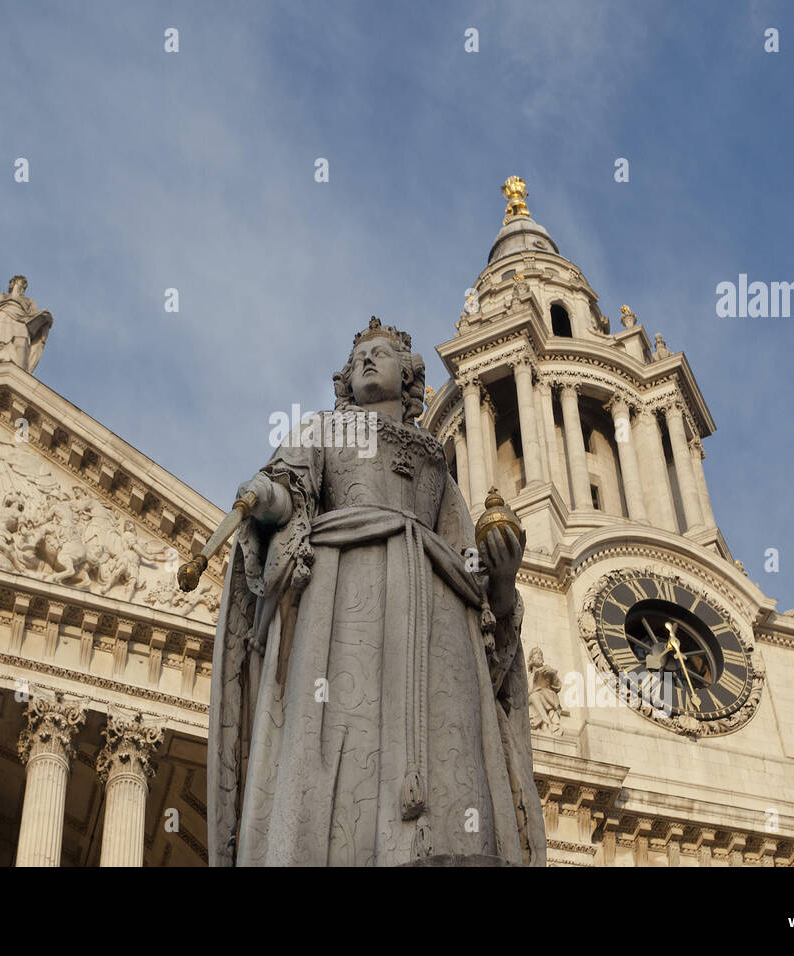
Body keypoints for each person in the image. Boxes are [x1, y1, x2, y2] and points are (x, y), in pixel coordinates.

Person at [208, 316, 545, 866]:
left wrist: (503, 580)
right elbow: (290, 493)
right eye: (359, 356)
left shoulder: (437, 462)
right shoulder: (320, 430)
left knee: (453, 750)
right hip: (341, 597)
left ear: (411, 381)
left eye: (381, 354)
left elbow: (475, 581)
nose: (366, 360)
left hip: (439, 616)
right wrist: (266, 498)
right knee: (340, 735)